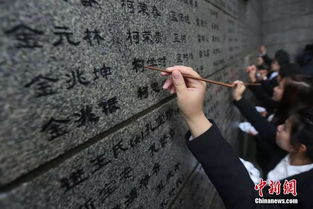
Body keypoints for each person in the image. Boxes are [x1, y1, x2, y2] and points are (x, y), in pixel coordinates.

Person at [161, 66, 313, 209]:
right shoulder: (288, 151)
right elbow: (264, 127)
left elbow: (254, 204)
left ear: (299, 147)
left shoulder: (304, 186)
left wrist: (195, 117)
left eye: (285, 128)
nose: (277, 128)